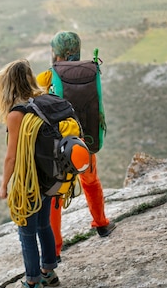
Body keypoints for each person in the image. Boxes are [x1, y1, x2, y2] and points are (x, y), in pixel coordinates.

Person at [0, 59, 60, 288]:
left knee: (26, 232)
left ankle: (33, 283)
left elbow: (12, 157)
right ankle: (49, 271)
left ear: (9, 84)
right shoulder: (44, 101)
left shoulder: (17, 113)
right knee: (43, 224)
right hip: (51, 174)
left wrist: (4, 184)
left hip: (31, 180)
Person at [36, 31, 116, 261]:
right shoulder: (91, 71)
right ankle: (101, 223)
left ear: (56, 52)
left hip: (60, 145)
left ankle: (55, 249)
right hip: (86, 140)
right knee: (91, 181)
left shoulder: (48, 76)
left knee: (55, 195)